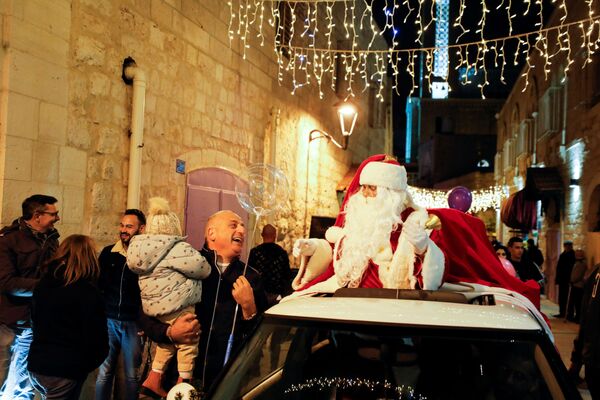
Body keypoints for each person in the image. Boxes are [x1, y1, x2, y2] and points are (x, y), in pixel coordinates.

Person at [289, 154, 540, 308]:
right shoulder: (359, 220)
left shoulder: (416, 221)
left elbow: (432, 280)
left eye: (371, 188)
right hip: (349, 306)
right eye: (363, 187)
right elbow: (340, 254)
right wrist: (313, 248)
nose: (363, 194)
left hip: (397, 311)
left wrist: (423, 247)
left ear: (390, 193)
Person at [137, 210, 268, 393]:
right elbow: (145, 314)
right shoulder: (184, 264)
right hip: (176, 383)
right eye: (233, 225)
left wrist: (249, 309)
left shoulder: (252, 277)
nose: (242, 231)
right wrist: (169, 332)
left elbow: (262, 338)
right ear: (211, 233)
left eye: (243, 227)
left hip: (224, 383)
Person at [128, 197, 211, 397]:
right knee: (189, 342)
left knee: (166, 345)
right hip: (178, 305)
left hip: (155, 309)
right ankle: (184, 383)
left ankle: (154, 378)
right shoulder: (176, 248)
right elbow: (203, 269)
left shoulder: (139, 250)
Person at [27, 234, 108, 399]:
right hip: (65, 369)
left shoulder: (43, 284)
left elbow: (34, 322)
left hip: (38, 364)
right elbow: (97, 338)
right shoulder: (87, 293)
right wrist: (83, 366)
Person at [0, 194, 60, 400]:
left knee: (23, 383)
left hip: (35, 323)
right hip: (8, 322)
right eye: (54, 214)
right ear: (37, 215)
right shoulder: (8, 240)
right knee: (3, 379)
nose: (57, 218)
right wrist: (47, 287)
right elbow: (7, 283)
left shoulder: (52, 240)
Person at [95, 209, 146, 400]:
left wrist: (144, 322)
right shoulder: (109, 253)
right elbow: (99, 285)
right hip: (108, 321)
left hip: (133, 323)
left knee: (132, 375)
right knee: (104, 372)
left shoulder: (144, 255)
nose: (124, 230)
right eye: (122, 225)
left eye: (129, 226)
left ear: (141, 228)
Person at [569, 264, 600, 398]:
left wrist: (577, 357)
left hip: (592, 358)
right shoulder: (595, 272)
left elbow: (585, 318)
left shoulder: (596, 271)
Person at [247, 224, 291, 306]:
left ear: (262, 235)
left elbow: (249, 275)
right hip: (277, 295)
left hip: (258, 295)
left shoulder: (254, 252)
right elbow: (287, 276)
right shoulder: (282, 253)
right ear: (275, 235)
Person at [555, 241, 576, 318]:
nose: (568, 247)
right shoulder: (562, 255)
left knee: (569, 298)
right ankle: (562, 312)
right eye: (567, 246)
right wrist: (557, 279)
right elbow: (559, 268)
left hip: (568, 280)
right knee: (562, 297)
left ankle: (569, 314)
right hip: (562, 280)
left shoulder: (573, 255)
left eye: (569, 246)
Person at [567, 249, 587, 323]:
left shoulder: (581, 264)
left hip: (578, 286)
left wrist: (573, 280)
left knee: (578, 303)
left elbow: (578, 275)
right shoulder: (578, 263)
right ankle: (576, 316)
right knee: (575, 302)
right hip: (575, 285)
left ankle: (578, 317)